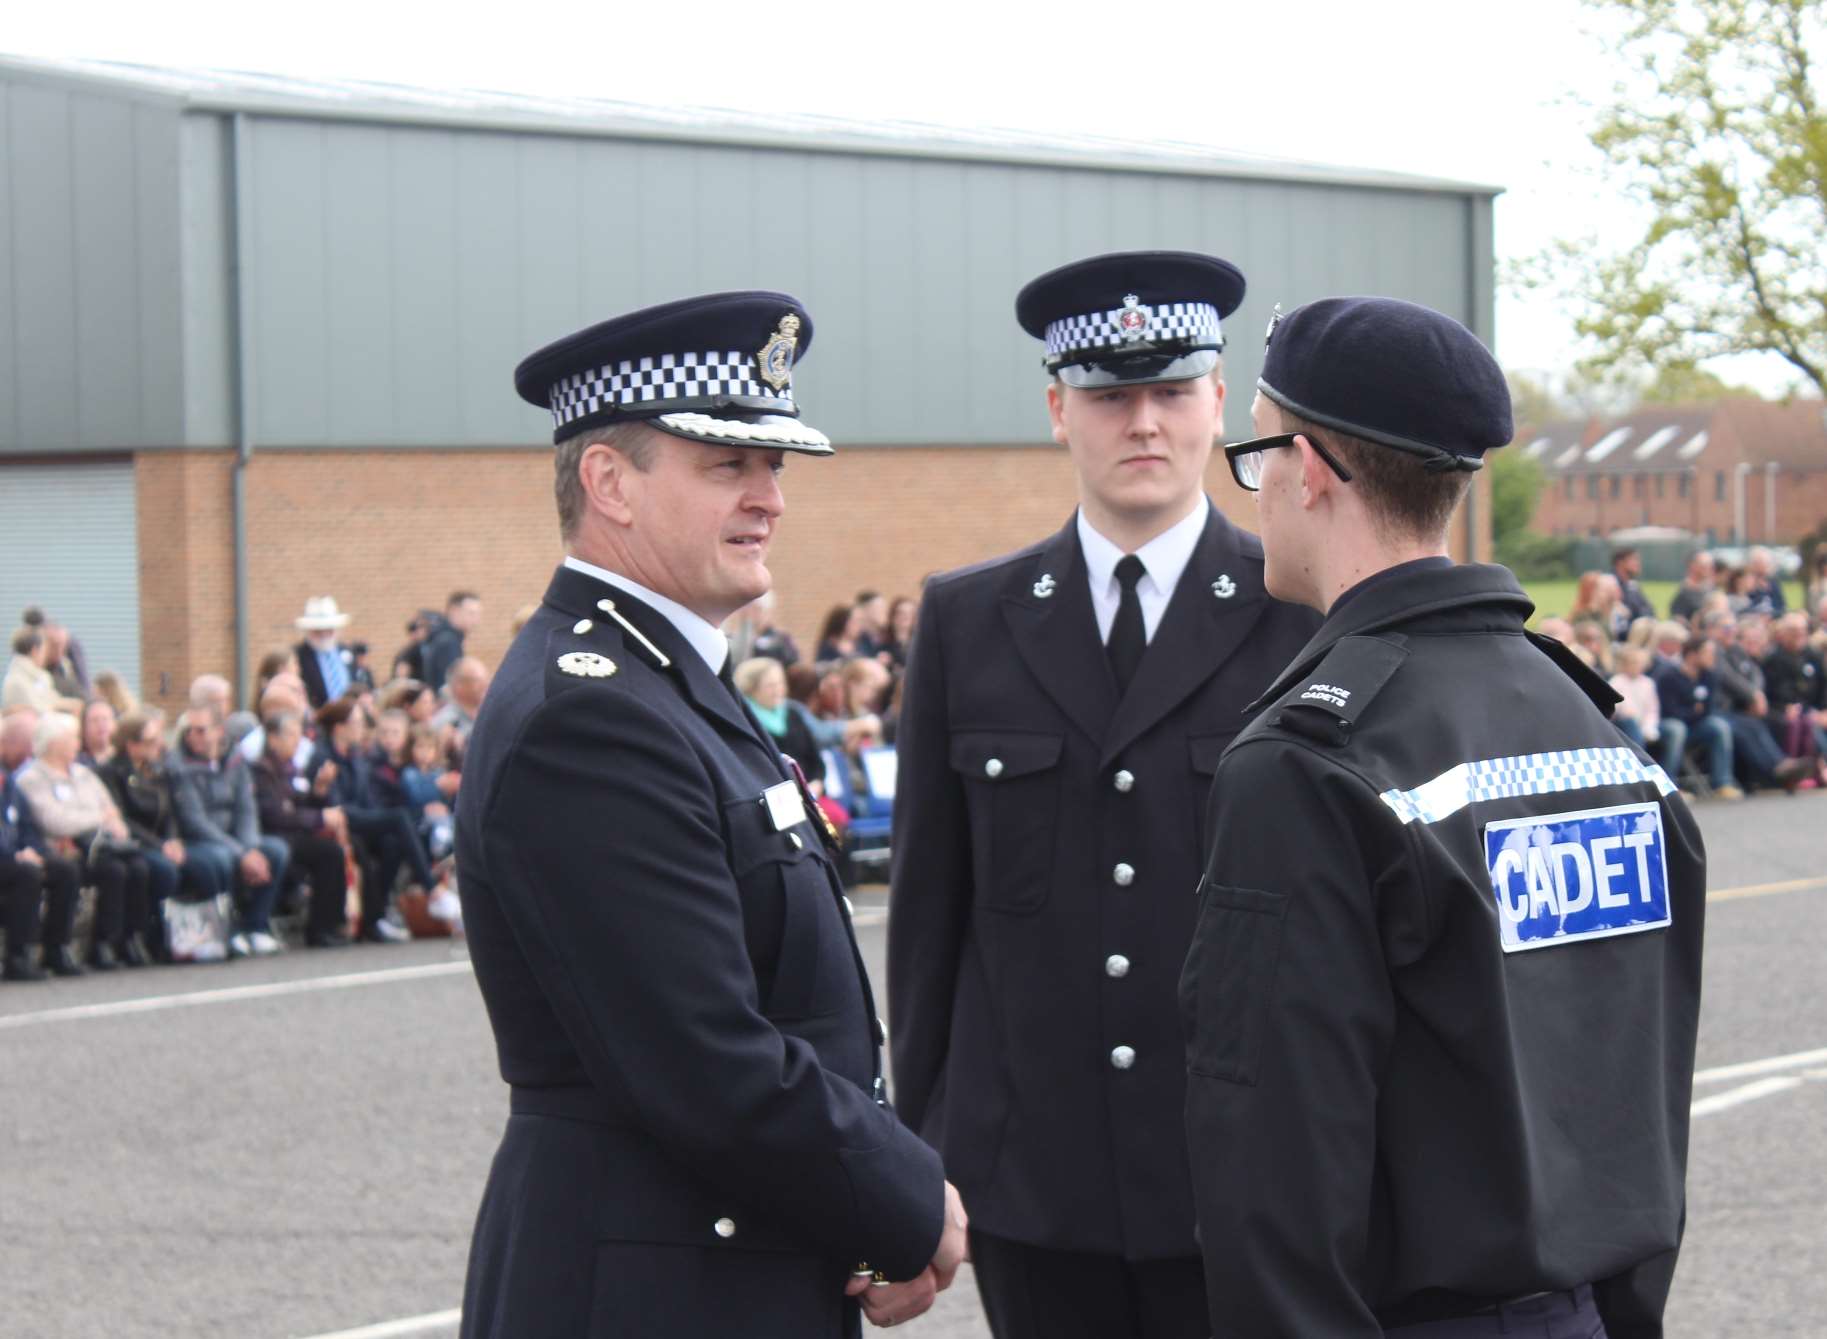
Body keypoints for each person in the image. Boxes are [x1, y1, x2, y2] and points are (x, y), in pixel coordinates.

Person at [1185, 295, 1705, 1337]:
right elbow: (1642, 1109)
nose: (1259, 488)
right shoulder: (1599, 739)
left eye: (1259, 451)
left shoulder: (1309, 764)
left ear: (1315, 468)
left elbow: (1276, 1188)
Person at [459, 291, 963, 1339]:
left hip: (720, 1260)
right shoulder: (592, 715)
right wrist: (905, 1203)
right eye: (728, 464)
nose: (769, 497)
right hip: (651, 1287)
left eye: (773, 466)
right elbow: (705, 1058)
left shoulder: (666, 682)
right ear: (610, 484)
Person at [890, 251, 1318, 1339]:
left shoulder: (1298, 621)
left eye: (1173, 391)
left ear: (1218, 404)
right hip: (1033, 1177)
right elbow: (930, 920)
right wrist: (921, 1151)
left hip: (1240, 1176)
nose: (1144, 423)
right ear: (1056, 410)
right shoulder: (968, 621)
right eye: (1109, 396)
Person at [14, 711, 152, 968]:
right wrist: (99, 818)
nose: (78, 743)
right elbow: (55, 820)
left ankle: (126, 938)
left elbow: (112, 811)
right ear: (55, 742)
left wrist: (112, 822)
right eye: (72, 738)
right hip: (62, 847)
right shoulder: (32, 778)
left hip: (99, 845)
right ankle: (84, 945)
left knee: (137, 868)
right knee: (107, 872)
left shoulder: (83, 774)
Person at [171, 707, 291, 956]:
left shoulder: (235, 760)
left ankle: (256, 926)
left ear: (218, 731)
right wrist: (241, 854)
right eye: (189, 730)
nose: (193, 736)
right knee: (221, 859)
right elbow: (194, 821)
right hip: (199, 840)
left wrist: (251, 848)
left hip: (234, 838)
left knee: (276, 851)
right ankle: (229, 930)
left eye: (201, 730)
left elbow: (246, 808)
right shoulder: (180, 765)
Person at [98, 708, 217, 956]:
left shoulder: (155, 769)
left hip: (163, 842)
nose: (159, 746)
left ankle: (207, 934)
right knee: (164, 871)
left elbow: (169, 811)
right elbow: (124, 819)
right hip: (137, 843)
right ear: (131, 745)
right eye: (151, 741)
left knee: (207, 867)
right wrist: (159, 845)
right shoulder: (113, 772)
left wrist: (173, 839)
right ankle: (153, 937)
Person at [251, 709, 352, 948]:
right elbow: (276, 814)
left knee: (338, 848)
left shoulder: (288, 767)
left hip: (293, 833)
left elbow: (298, 803)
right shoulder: (262, 769)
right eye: (291, 736)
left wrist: (319, 790)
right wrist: (319, 818)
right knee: (328, 854)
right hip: (275, 835)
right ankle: (319, 927)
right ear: (273, 738)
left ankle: (334, 923)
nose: (297, 742)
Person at [1, 708, 82, 979]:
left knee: (64, 869)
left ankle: (55, 948)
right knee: (26, 874)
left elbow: (25, 825)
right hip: (8, 859)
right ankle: (17, 955)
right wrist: (15, 856)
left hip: (14, 856)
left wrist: (37, 851)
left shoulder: (8, 781)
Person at [1654, 634, 1739, 798]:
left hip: (1695, 724)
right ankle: (1669, 786)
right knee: (1676, 729)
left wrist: (1693, 711)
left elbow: (1707, 709)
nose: (1712, 657)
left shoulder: (1709, 676)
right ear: (1693, 655)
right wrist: (1694, 710)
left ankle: (1722, 783)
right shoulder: (1668, 676)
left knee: (1719, 726)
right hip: (1669, 724)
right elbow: (1669, 711)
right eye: (1708, 652)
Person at [3, 626, 84, 717]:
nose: (44, 655)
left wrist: (72, 704)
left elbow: (53, 699)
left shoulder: (37, 675)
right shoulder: (18, 680)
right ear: (34, 651)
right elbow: (38, 710)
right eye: (43, 650)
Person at [292, 596, 356, 709]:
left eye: (329, 629)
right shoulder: (298, 656)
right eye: (318, 630)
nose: (324, 634)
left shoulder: (346, 652)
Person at [420, 591, 482, 692]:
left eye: (478, 614)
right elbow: (448, 686)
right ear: (454, 610)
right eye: (471, 613)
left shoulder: (442, 637)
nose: (476, 620)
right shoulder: (448, 642)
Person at [1612, 546, 1656, 628]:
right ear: (1620, 562)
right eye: (1634, 559)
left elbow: (1647, 608)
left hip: (1642, 626)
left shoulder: (1633, 584)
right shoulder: (1611, 583)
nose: (1638, 563)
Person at [1668, 550, 1715, 624]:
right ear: (1692, 565)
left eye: (1710, 565)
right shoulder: (1683, 593)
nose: (1709, 568)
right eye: (1705, 565)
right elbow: (1678, 620)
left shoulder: (1712, 589)